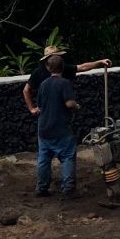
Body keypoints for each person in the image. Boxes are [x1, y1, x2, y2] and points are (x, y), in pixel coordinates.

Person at [22, 44, 110, 116]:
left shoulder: (63, 67)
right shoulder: (39, 72)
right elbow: (26, 90)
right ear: (46, 60)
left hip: (60, 115)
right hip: (47, 114)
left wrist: (100, 62)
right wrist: (32, 108)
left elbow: (82, 67)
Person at [34, 54, 78, 197]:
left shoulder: (43, 84)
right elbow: (69, 103)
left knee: (43, 159)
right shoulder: (64, 83)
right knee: (67, 157)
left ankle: (41, 188)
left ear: (48, 67)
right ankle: (68, 188)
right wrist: (76, 105)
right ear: (62, 67)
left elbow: (39, 106)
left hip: (44, 127)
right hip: (60, 128)